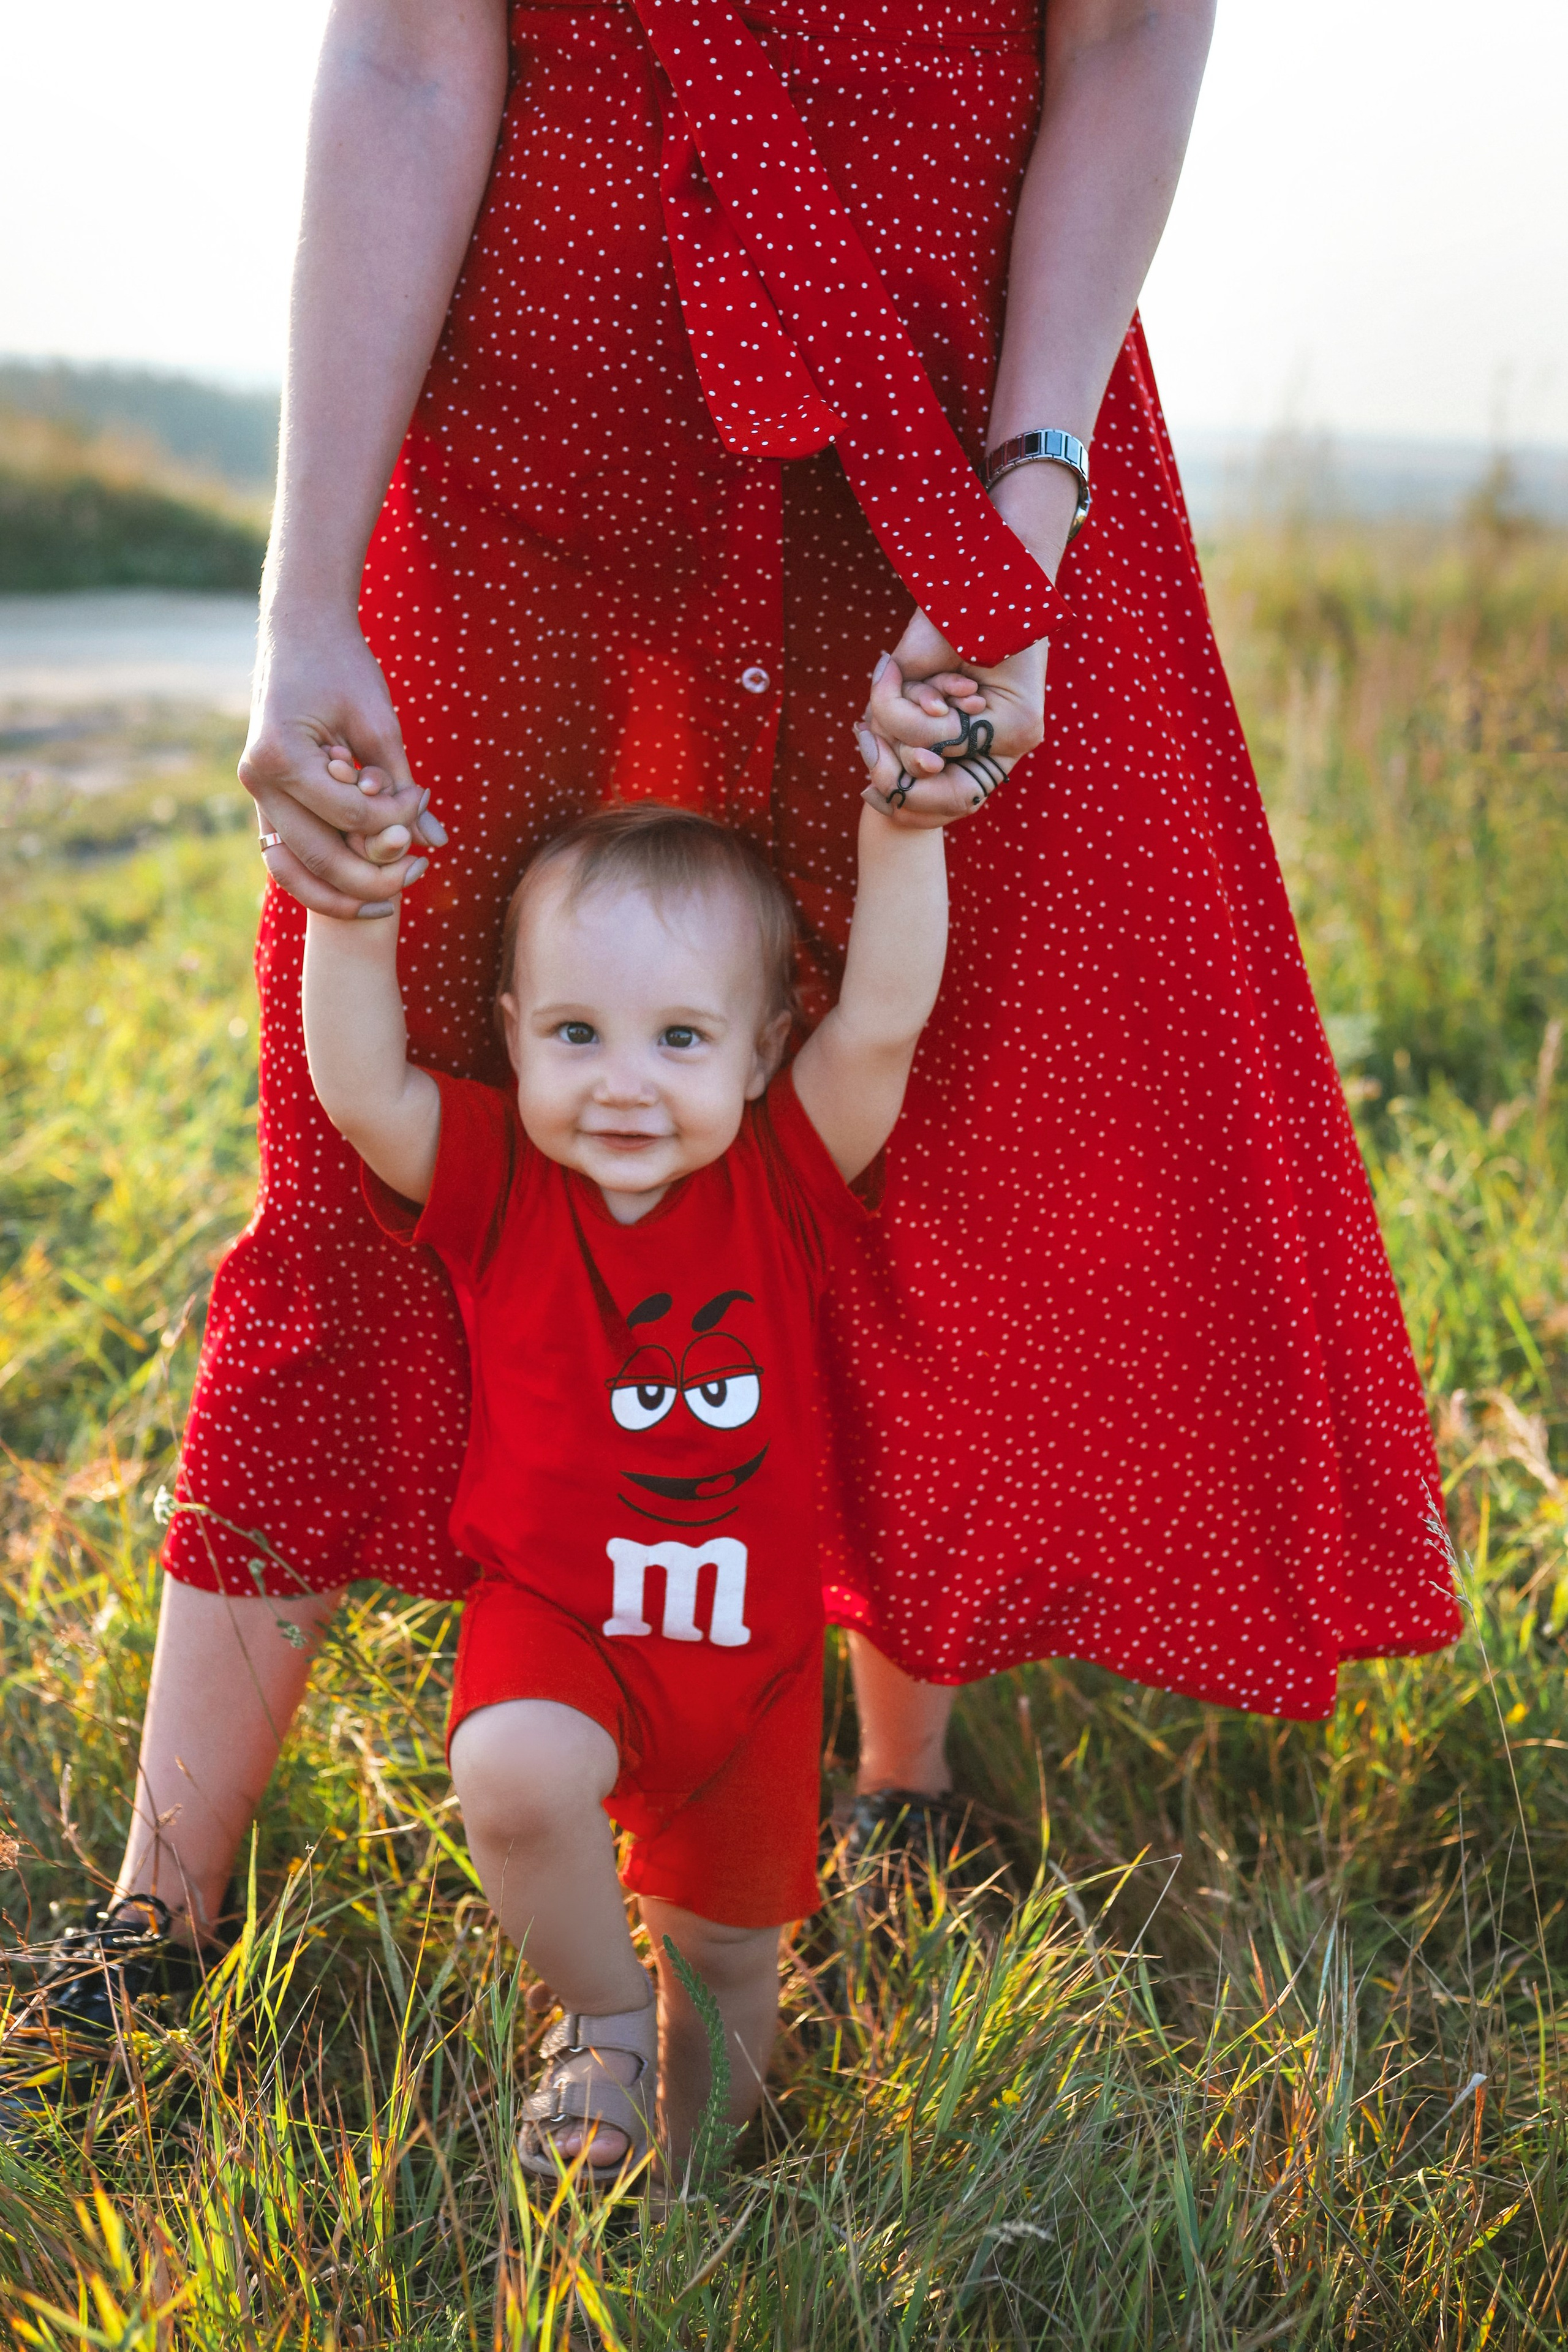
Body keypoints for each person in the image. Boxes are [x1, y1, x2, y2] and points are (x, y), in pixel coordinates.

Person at [38, 0, 1458, 2012]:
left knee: (940, 1099)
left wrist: (1022, 524)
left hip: (955, 429)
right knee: (390, 1090)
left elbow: (1131, 26)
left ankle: (906, 1782)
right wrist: (307, 590)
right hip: (528, 418)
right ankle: (153, 1923)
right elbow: (408, 51)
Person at [300, 794, 959, 2175]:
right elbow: (361, 1090)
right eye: (575, 1035)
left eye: (679, 1039)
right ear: (511, 1035)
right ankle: (597, 2015)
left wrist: (903, 826)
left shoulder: (780, 1179)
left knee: (725, 1983)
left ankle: (681, 2211)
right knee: (512, 1767)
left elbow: (886, 1019)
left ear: (763, 1050)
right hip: (557, 1619)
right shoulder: (500, 1183)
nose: (621, 1083)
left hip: (747, 1676)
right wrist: (351, 908)